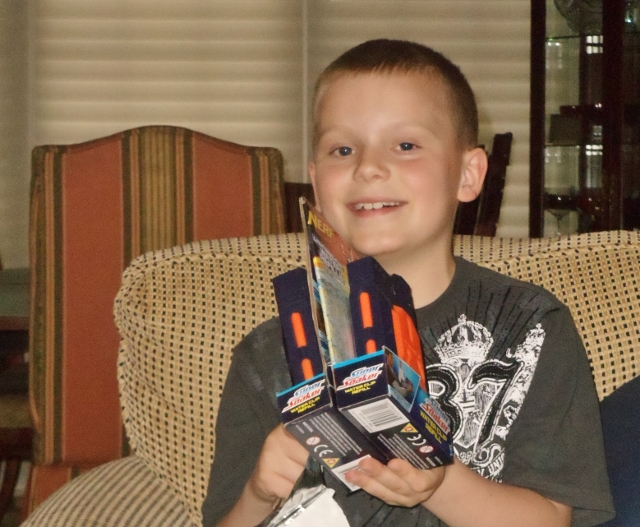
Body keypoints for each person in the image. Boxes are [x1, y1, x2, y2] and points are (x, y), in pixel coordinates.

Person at [202, 39, 614, 527]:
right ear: (316, 183)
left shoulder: (530, 326)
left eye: (405, 146)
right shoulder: (270, 354)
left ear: (468, 174)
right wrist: (259, 492)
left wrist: (442, 483)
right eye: (343, 149)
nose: (368, 167)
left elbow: (550, 520)